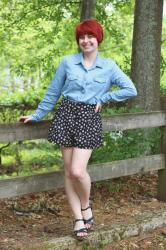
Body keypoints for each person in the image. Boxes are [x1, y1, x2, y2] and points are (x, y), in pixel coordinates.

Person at [19, 19, 137, 240]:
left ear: (97, 38)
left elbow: (130, 89)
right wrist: (37, 115)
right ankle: (78, 220)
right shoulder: (68, 62)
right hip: (66, 114)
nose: (86, 41)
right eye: (82, 37)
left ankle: (86, 206)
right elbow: (53, 92)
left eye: (90, 36)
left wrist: (105, 97)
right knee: (68, 171)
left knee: (77, 171)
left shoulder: (109, 66)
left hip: (88, 118)